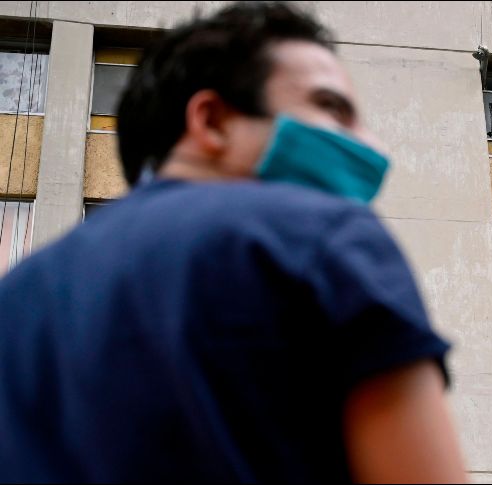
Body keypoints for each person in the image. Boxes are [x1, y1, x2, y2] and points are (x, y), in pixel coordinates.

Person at [0, 2, 466, 483]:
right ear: (212, 120)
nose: (369, 144)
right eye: (332, 109)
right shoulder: (320, 235)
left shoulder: (17, 296)